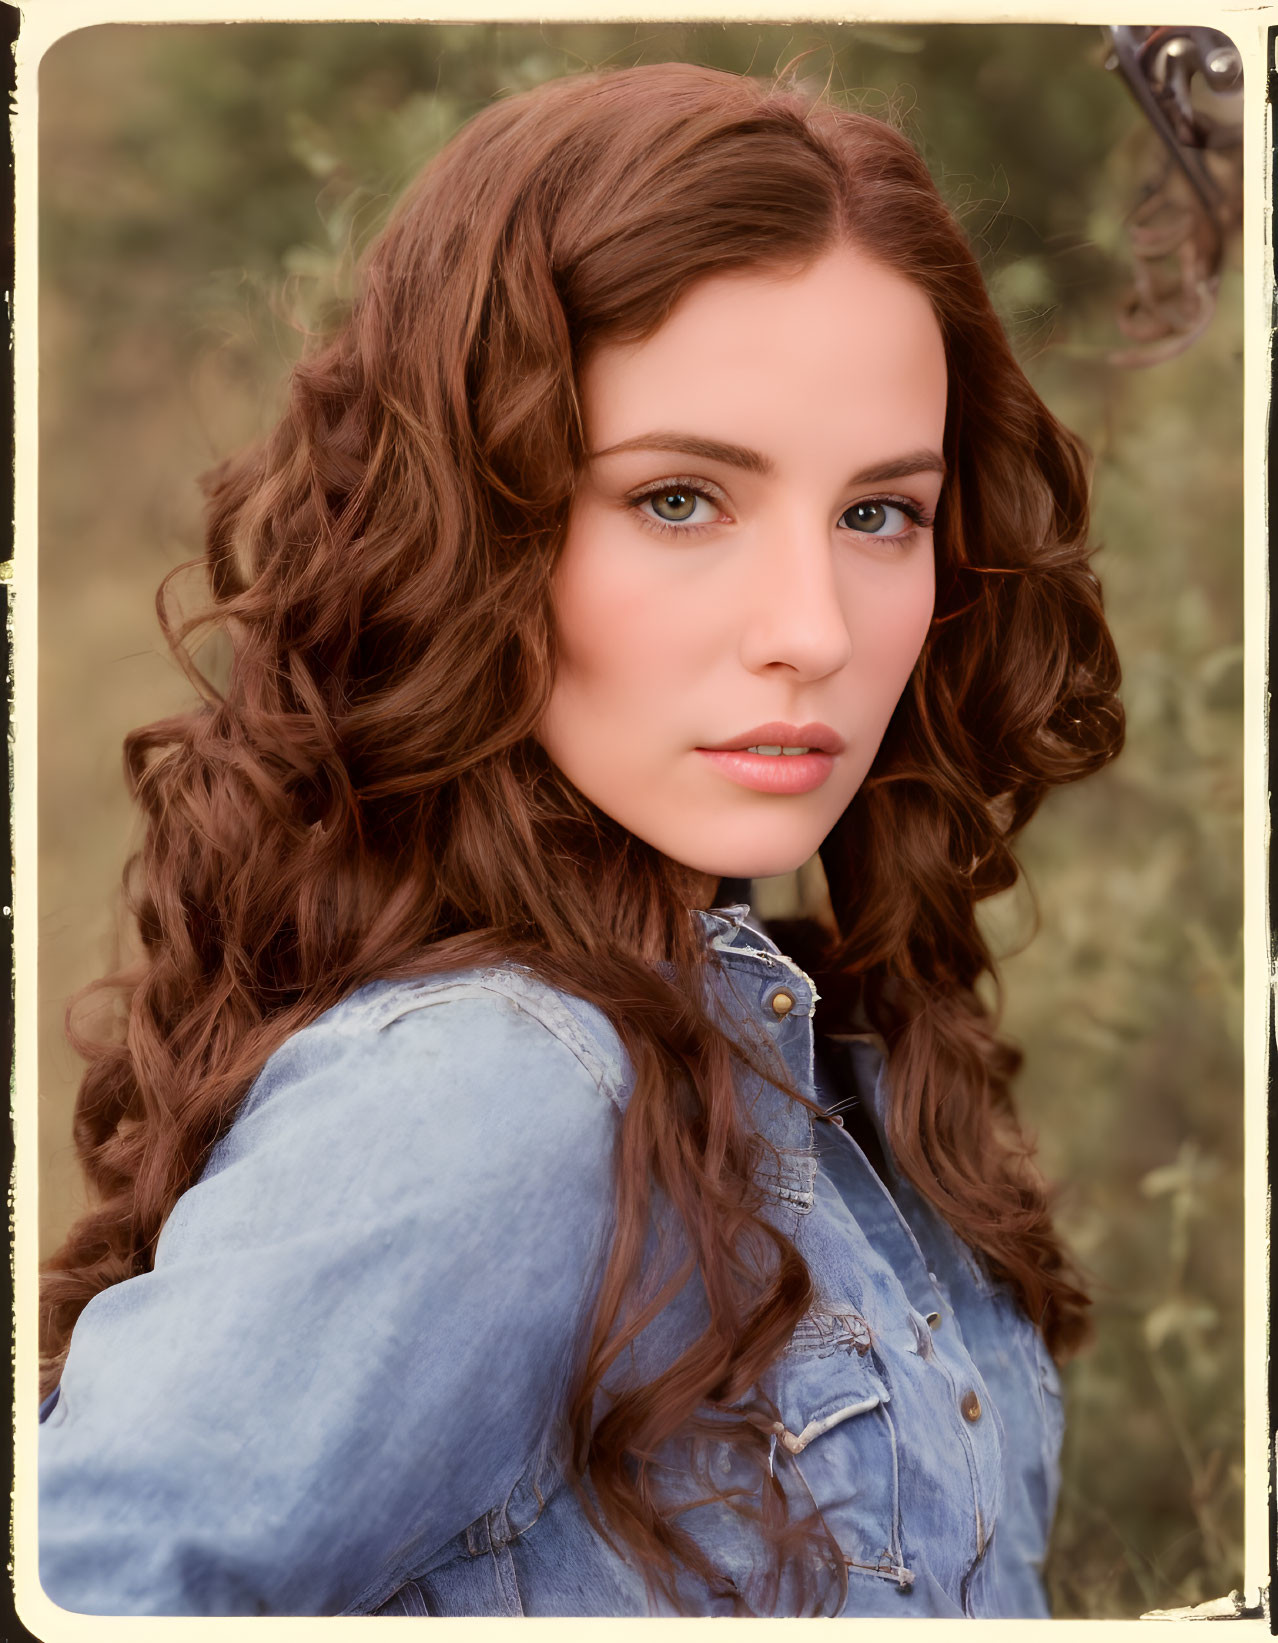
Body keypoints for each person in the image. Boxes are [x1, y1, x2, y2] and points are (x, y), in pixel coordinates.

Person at [37, 59, 1124, 1618]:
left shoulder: (827, 1049)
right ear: (471, 525)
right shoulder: (500, 1093)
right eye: (680, 500)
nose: (811, 630)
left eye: (879, 513)